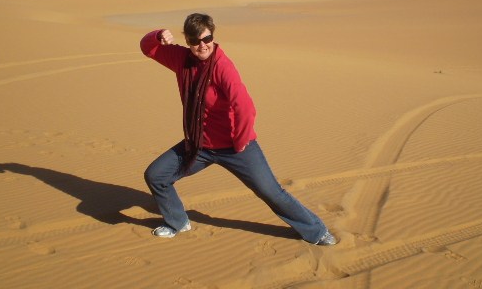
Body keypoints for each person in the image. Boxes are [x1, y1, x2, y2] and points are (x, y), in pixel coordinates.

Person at [141, 13, 337, 246]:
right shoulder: (181, 59)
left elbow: (245, 106)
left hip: (235, 147)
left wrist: (242, 140)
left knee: (271, 191)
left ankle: (317, 232)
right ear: (188, 42)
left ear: (213, 36)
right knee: (156, 175)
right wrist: (157, 35)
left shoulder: (222, 67)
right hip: (199, 145)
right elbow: (147, 48)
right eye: (194, 41)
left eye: (206, 39)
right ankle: (177, 222)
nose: (201, 46)